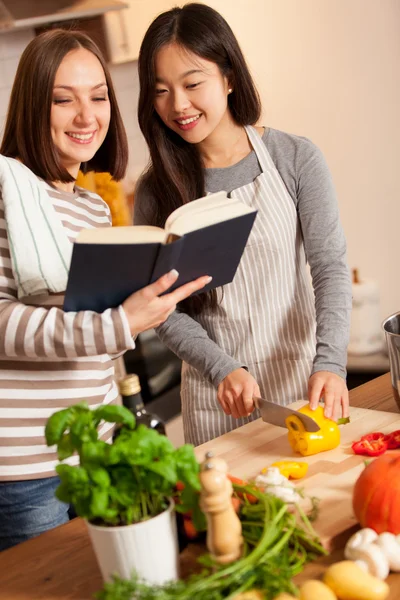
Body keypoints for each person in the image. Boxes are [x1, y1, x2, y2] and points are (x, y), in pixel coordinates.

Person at [0, 29, 210, 551]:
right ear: (32, 105)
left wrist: (145, 305)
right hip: (23, 468)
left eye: (98, 97)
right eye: (62, 100)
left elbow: (89, 334)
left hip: (96, 452)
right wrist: (119, 323)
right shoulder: (7, 192)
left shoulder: (93, 206)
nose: (86, 116)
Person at [134, 3, 352, 447]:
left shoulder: (295, 158)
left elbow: (329, 267)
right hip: (217, 406)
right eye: (160, 91)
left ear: (229, 77)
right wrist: (221, 367)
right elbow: (163, 310)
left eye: (193, 83)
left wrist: (331, 363)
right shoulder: (156, 191)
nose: (178, 105)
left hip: (304, 395)